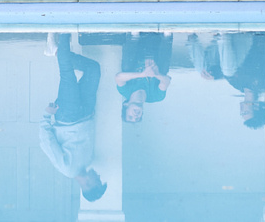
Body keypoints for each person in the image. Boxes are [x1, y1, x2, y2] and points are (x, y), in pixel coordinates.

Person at [39, 33, 108, 202]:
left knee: (67, 73)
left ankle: (65, 29)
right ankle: (57, 52)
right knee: (94, 69)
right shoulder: (88, 160)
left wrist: (47, 115)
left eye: (97, 180)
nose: (98, 175)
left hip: (67, 116)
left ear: (89, 185)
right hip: (87, 110)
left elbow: (46, 143)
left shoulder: (67, 169)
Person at [115, 32, 173, 123]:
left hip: (137, 49)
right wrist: (155, 74)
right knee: (163, 72)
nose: (135, 116)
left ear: (126, 105)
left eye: (130, 117)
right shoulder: (156, 97)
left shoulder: (125, 91)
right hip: (157, 50)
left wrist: (143, 74)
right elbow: (167, 81)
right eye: (138, 118)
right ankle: (167, 36)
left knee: (126, 69)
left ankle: (134, 35)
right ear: (142, 113)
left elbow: (118, 77)